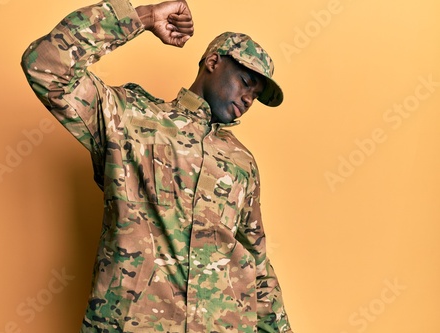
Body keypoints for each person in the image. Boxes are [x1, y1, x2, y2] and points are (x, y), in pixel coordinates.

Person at [21, 0, 293, 332]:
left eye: (257, 93)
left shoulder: (242, 163)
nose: (250, 98)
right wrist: (142, 18)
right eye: (246, 81)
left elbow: (257, 264)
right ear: (213, 62)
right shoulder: (130, 119)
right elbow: (46, 65)